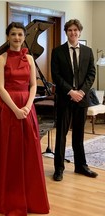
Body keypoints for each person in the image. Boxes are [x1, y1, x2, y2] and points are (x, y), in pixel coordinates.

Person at [0, 22, 50, 215]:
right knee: (6, 152)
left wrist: (27, 107)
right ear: (8, 37)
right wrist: (15, 109)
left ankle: (30, 198)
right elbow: (0, 88)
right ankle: (4, 198)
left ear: (23, 36)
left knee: (28, 153)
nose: (17, 38)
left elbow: (33, 86)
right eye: (13, 34)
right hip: (6, 108)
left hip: (27, 109)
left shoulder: (29, 58)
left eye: (20, 34)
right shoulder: (1, 59)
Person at [51, 19, 97, 181]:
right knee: (61, 135)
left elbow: (92, 73)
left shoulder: (88, 51)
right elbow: (56, 76)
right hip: (65, 98)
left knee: (79, 134)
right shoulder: (57, 52)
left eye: (76, 30)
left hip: (82, 99)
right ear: (66, 32)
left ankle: (81, 166)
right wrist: (71, 91)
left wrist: (82, 92)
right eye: (70, 30)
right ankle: (59, 169)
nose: (73, 33)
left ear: (80, 32)